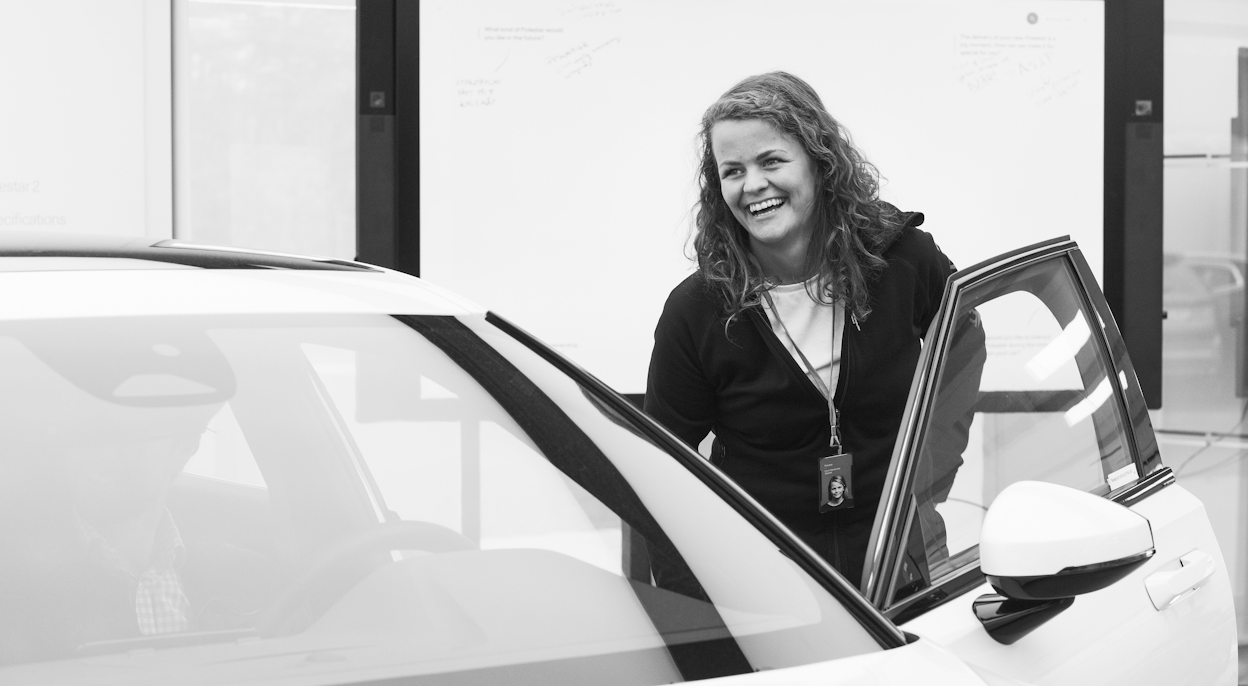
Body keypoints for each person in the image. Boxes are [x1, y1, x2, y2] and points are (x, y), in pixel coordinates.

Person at [645, 71, 979, 587]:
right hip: (767, 578)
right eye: (732, 171)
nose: (752, 185)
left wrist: (928, 475)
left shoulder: (902, 259)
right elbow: (663, 467)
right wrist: (690, 616)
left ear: (820, 163)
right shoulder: (697, 312)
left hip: (899, 559)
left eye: (771, 161)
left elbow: (962, 343)